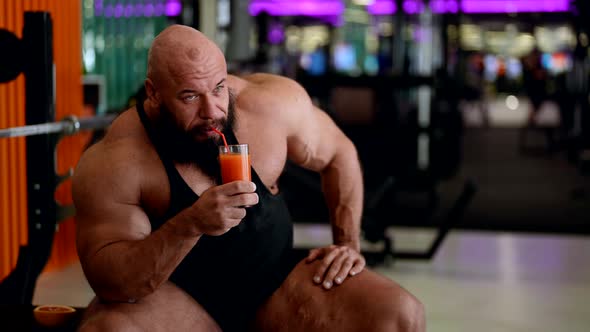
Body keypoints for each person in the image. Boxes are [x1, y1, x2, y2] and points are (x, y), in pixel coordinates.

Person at [72, 24, 425, 332]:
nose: (212, 112)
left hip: (276, 283)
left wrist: (347, 246)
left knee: (399, 315)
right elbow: (112, 280)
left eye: (218, 89)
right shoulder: (117, 159)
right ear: (153, 94)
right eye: (190, 97)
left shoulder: (268, 107)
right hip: (178, 298)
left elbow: (339, 153)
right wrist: (189, 224)